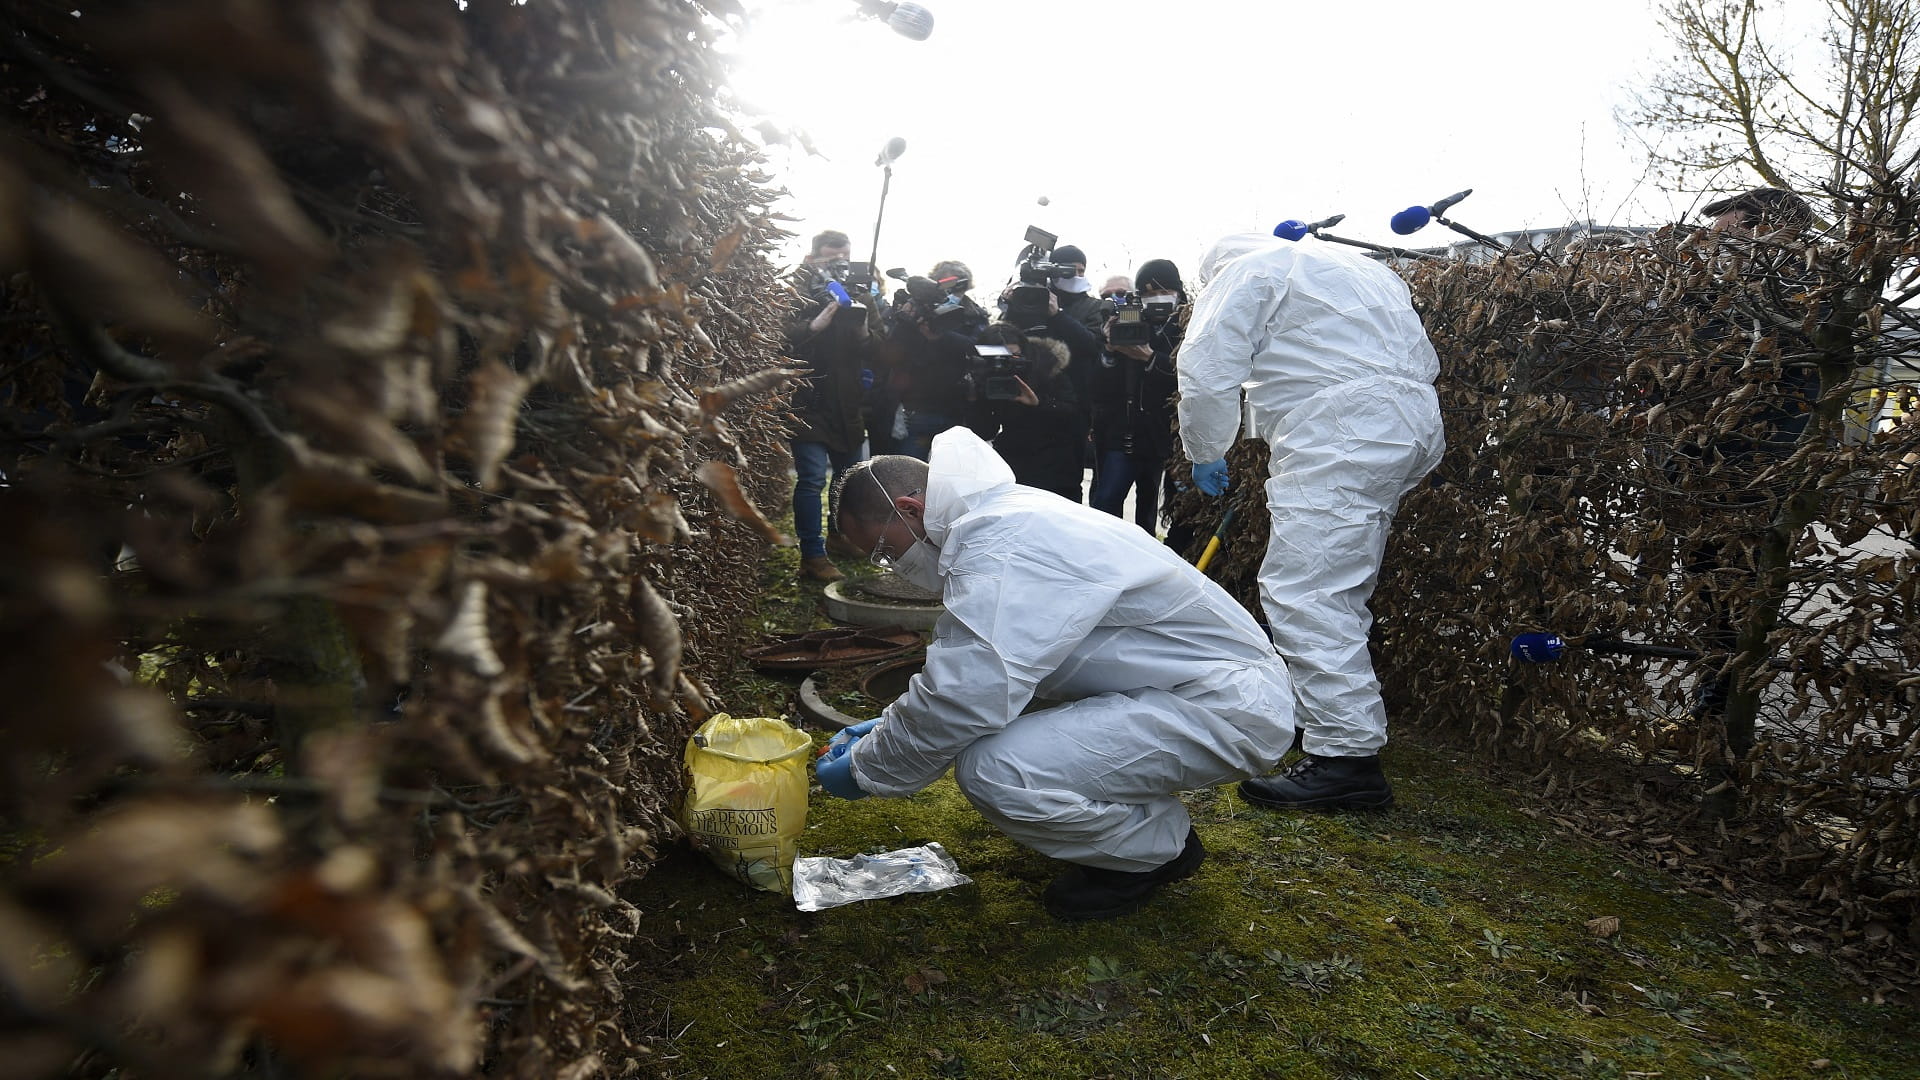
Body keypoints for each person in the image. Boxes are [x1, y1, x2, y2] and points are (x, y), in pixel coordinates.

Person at [816, 428, 1296, 921]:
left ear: (910, 509)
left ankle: (1153, 854)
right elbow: (994, 673)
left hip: (1224, 705)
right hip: (1188, 687)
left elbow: (969, 692)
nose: (891, 565)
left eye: (882, 550)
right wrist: (893, 725)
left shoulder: (999, 544)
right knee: (1002, 734)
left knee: (996, 770)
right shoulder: (1003, 518)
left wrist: (870, 767)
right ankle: (1140, 827)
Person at [1177, 231, 1445, 810]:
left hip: (1344, 430)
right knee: (1339, 582)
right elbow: (1317, 359)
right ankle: (1324, 718)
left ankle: (1346, 760)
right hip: (1410, 421)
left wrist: (1205, 449)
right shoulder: (1358, 268)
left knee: (1310, 589)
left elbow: (1207, 367)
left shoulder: (1249, 270)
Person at [783, 229, 877, 582]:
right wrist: (817, 321)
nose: (839, 264)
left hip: (848, 404)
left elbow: (880, 351)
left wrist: (864, 323)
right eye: (831, 257)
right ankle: (812, 555)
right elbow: (776, 337)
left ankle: (839, 536)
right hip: (808, 400)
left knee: (846, 478)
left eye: (845, 257)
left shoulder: (861, 292)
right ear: (813, 257)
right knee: (810, 480)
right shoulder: (795, 288)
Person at [1090, 259, 1185, 532]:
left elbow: (1192, 375)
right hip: (1128, 433)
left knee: (1153, 508)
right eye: (1147, 293)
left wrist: (1151, 358)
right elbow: (1098, 387)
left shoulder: (1190, 322)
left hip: (1172, 434)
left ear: (1177, 291)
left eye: (1162, 291)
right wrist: (1110, 349)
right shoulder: (1128, 320)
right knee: (1105, 502)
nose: (1156, 299)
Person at [966, 320, 1089, 500]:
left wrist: (1038, 404)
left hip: (1054, 458)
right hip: (1014, 456)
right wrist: (974, 398)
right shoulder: (986, 375)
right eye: (997, 358)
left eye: (1014, 356)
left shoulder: (1047, 367)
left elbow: (1072, 415)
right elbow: (985, 430)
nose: (1004, 364)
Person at [1048, 243, 1112, 338]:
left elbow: (1094, 345)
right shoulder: (1037, 300)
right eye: (1070, 270)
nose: (1077, 276)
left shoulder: (1097, 307)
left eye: (1081, 271)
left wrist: (1058, 316)